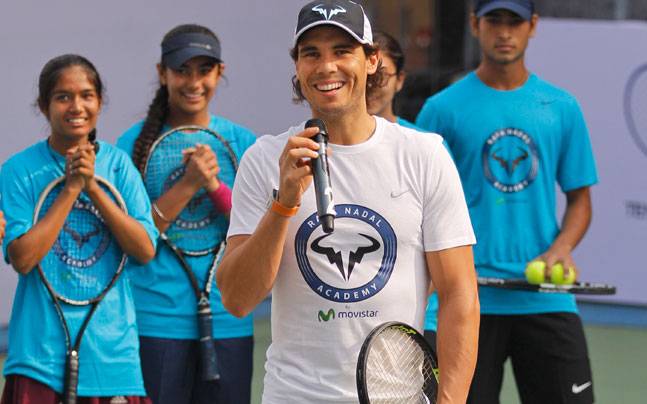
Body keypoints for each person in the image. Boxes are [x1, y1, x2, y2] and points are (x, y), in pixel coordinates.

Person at [216, 1, 480, 403]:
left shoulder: (423, 155)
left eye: (342, 51)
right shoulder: (265, 159)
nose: (326, 67)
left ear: (372, 60)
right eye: (312, 54)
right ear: (298, 66)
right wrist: (284, 203)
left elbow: (460, 293)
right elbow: (237, 299)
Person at [416, 1, 598, 403]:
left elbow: (580, 201)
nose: (503, 32)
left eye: (513, 22)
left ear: (532, 26)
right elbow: (418, 204)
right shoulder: (441, 110)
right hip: (463, 300)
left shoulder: (561, 108)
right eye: (493, 21)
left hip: (544, 297)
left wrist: (561, 248)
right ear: (473, 24)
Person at [0, 54, 157, 403]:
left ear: (99, 103)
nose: (76, 106)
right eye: (62, 97)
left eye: (87, 95)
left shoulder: (119, 167)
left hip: (113, 361)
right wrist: (70, 189)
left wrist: (93, 189)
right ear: (43, 106)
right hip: (38, 359)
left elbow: (145, 250)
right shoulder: (18, 171)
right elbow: (23, 258)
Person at [116, 24, 257, 404]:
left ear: (220, 73)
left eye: (204, 70)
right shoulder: (128, 147)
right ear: (162, 74)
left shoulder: (246, 144)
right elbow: (136, 242)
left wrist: (214, 187)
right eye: (182, 70)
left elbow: (256, 234)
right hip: (156, 321)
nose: (193, 82)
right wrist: (187, 184)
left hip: (229, 320)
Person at [367, 30, 440, 349]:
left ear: (400, 80)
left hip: (418, 323)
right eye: (368, 73)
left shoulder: (427, 148)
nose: (373, 83)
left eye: (382, 75)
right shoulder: (318, 147)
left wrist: (405, 305)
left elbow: (445, 245)